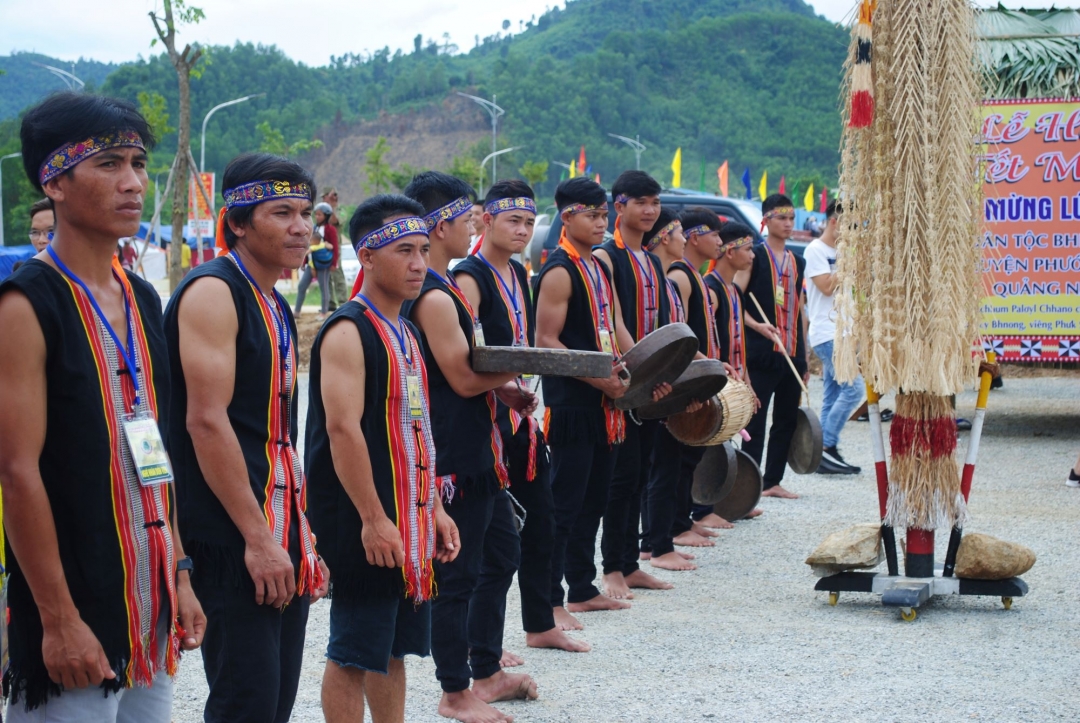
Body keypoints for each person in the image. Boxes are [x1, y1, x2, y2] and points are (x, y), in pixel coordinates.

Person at [0, 91, 204, 721]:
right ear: (54, 182)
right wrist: (57, 620)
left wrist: (181, 573)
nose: (134, 183)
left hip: (150, 598)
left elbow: (155, 449)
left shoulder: (142, 297)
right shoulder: (26, 304)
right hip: (75, 606)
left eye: (139, 164)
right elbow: (16, 470)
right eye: (110, 164)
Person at [164, 153, 328, 723]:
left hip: (275, 529)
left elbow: (272, 435)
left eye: (305, 213)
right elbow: (205, 422)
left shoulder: (275, 301)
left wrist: (298, 537)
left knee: (275, 699)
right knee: (246, 702)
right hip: (232, 535)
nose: (301, 226)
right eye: (281, 212)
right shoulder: (214, 292)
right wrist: (258, 541)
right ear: (236, 222)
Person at [306, 194, 460, 723]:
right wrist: (373, 519)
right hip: (365, 518)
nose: (418, 264)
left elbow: (416, 428)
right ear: (367, 257)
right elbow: (342, 429)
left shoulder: (407, 331)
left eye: (423, 250)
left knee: (391, 646)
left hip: (408, 515)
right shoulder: (349, 330)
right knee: (352, 650)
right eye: (403, 251)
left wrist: (433, 508)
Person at [402, 174, 539, 723]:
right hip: (453, 459)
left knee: (501, 555)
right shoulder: (434, 294)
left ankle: (486, 670)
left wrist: (502, 385)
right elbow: (460, 379)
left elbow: (463, 368)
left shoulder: (447, 286)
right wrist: (532, 362)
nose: (475, 226)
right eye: (467, 220)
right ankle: (454, 690)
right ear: (440, 226)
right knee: (456, 576)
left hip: (480, 453)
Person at [456, 182, 592, 655]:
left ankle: (538, 623)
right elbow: (465, 358)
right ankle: (481, 645)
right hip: (483, 428)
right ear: (485, 219)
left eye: (529, 222)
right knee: (489, 549)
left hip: (517, 422)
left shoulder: (518, 272)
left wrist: (514, 389)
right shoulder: (469, 279)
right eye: (512, 220)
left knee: (542, 524)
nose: (521, 229)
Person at [535, 177, 651, 628]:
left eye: (605, 214)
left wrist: (638, 373)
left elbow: (618, 325)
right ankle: (549, 600)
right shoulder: (560, 269)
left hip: (607, 405)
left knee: (594, 502)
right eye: (593, 215)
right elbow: (546, 341)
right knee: (563, 507)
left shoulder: (599, 267)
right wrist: (600, 379)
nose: (602, 222)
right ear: (568, 217)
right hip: (572, 406)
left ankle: (581, 588)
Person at [592, 170, 678, 596]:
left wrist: (664, 375)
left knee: (641, 473)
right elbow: (613, 321)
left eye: (655, 203)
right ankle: (611, 568)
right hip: (622, 382)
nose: (650, 210)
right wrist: (637, 373)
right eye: (641, 202)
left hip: (648, 382)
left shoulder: (651, 261)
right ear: (618, 205)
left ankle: (630, 564)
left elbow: (661, 324)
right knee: (620, 480)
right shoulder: (608, 256)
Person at [735, 194, 809, 500]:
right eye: (782, 218)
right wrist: (755, 326)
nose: (789, 224)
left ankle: (772, 480)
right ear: (766, 221)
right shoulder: (752, 256)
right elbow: (733, 298)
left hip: (790, 351)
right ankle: (748, 484)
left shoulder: (798, 261)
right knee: (757, 419)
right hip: (761, 353)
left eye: (792, 218)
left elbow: (800, 310)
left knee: (786, 420)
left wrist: (804, 360)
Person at [663, 207, 726, 548]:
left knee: (690, 456)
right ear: (695, 236)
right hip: (684, 379)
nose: (720, 241)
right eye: (715, 234)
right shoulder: (680, 276)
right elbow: (680, 334)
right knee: (677, 458)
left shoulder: (696, 275)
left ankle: (683, 519)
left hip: (699, 375)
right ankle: (672, 527)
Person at [702, 220, 764, 525]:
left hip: (734, 378)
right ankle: (705, 511)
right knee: (711, 446)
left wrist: (747, 384)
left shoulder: (733, 290)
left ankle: (727, 504)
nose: (752, 256)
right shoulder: (710, 289)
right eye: (748, 249)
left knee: (727, 443)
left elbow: (739, 343)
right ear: (728, 251)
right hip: (717, 380)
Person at [804, 201, 861, 474]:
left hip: (844, 332)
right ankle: (826, 444)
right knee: (855, 389)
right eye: (851, 226)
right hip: (827, 333)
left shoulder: (842, 251)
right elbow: (826, 287)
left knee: (833, 393)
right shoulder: (815, 250)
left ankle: (824, 455)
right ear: (835, 222)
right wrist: (849, 264)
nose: (854, 232)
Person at [293, 202, 336, 320]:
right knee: (302, 286)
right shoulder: (314, 227)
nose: (317, 217)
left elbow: (335, 247)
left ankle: (324, 312)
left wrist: (334, 263)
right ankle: (297, 311)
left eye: (320, 215)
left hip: (323, 263)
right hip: (312, 263)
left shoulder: (330, 229)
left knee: (324, 287)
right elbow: (309, 246)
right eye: (315, 214)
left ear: (326, 216)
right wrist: (304, 261)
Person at [320, 187, 348, 311]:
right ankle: (330, 303)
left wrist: (331, 205)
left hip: (335, 246)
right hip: (323, 245)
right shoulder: (321, 210)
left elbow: (335, 220)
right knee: (326, 275)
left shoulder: (341, 210)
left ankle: (343, 302)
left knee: (337, 273)